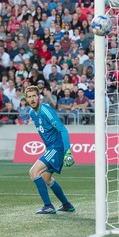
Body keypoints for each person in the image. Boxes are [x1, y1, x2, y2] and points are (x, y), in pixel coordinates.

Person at [25, 85, 75, 214]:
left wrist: (67, 151)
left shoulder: (45, 111)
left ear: (39, 97)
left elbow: (62, 129)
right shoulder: (32, 113)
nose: (32, 99)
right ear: (26, 99)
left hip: (57, 148)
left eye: (34, 96)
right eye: (29, 97)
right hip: (51, 149)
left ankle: (48, 206)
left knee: (33, 172)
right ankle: (67, 204)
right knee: (46, 178)